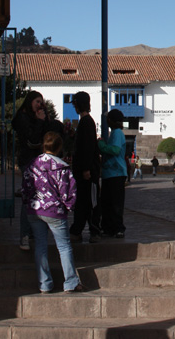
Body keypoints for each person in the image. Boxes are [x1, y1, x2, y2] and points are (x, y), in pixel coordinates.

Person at [22, 131, 83, 293]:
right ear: (59, 147)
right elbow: (67, 192)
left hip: (35, 209)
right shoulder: (62, 168)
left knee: (40, 246)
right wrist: (69, 206)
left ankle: (44, 283)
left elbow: (25, 187)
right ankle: (70, 281)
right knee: (64, 246)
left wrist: (27, 201)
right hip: (55, 211)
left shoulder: (32, 165)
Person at [12, 90, 63, 251]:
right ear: (30, 102)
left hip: (39, 162)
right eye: (37, 102)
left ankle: (34, 232)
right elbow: (32, 140)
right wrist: (40, 121)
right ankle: (25, 234)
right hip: (28, 161)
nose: (40, 105)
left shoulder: (38, 118)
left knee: (40, 197)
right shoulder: (23, 118)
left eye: (42, 102)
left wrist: (46, 120)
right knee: (29, 197)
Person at [69, 91, 101, 243]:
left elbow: (88, 147)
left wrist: (87, 169)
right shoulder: (85, 122)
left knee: (89, 201)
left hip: (87, 171)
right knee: (83, 201)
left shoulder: (87, 122)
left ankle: (92, 230)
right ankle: (78, 229)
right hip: (83, 170)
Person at [98, 109, 127, 238]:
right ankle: (108, 227)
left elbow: (115, 150)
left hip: (116, 173)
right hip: (110, 173)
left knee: (115, 203)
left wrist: (102, 145)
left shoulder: (117, 133)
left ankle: (118, 228)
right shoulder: (114, 133)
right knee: (107, 202)